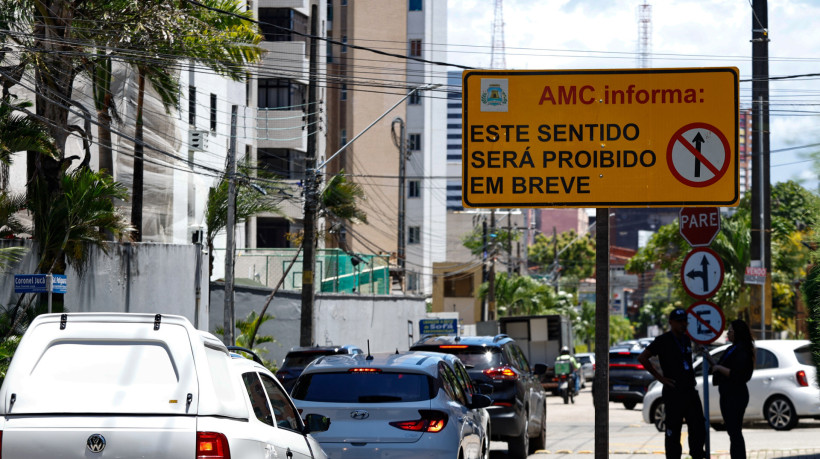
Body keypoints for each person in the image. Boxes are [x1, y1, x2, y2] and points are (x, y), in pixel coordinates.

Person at [638, 308, 706, 459]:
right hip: (673, 391)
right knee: (673, 430)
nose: (683, 324)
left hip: (689, 390)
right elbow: (642, 358)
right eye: (680, 321)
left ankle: (697, 454)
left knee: (698, 426)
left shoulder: (686, 339)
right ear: (671, 322)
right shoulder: (663, 340)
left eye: (685, 321)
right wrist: (660, 378)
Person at [703, 319, 755, 459]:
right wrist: (709, 358)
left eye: (730, 331)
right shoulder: (732, 348)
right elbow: (719, 368)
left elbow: (739, 375)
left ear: (737, 333)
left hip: (736, 395)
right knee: (732, 432)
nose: (728, 333)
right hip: (727, 393)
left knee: (735, 432)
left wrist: (719, 368)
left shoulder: (742, 350)